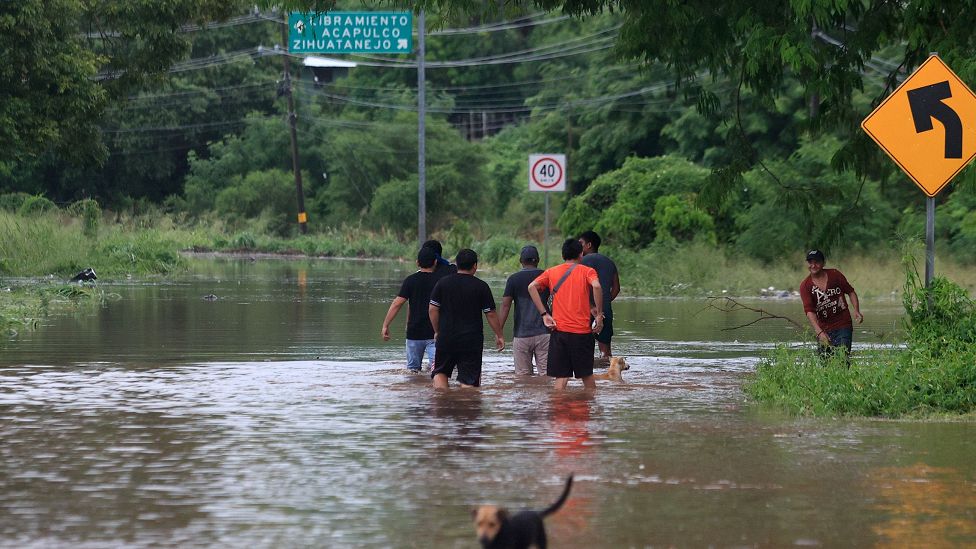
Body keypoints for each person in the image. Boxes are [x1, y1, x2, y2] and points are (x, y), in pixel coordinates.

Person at [528, 238, 603, 390]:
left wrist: (544, 314)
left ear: (563, 254)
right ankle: (591, 411)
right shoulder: (588, 271)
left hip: (559, 332)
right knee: (587, 377)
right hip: (582, 333)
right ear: (581, 254)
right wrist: (599, 315)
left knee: (561, 378)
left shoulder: (551, 272)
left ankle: (557, 411)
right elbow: (596, 286)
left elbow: (531, 287)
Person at [428, 249, 505, 388]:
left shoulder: (443, 283)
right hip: (471, 340)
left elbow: (432, 309)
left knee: (440, 372)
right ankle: (467, 407)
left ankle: (441, 405)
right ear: (475, 266)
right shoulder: (481, 286)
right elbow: (491, 314)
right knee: (469, 379)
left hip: (446, 337)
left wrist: (437, 331)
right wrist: (499, 335)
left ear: (457, 264)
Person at [381, 247, 439, 372]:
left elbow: (397, 304)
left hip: (414, 332)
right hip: (435, 333)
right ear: (435, 262)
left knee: (412, 372)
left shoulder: (410, 280)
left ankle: (412, 391)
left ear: (417, 262)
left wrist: (386, 325)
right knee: (438, 370)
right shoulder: (440, 281)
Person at [799, 249, 863, 358]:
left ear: (823, 263)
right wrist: (819, 332)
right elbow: (809, 311)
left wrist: (856, 310)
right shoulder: (805, 286)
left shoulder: (835, 275)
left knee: (842, 358)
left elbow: (851, 292)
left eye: (817, 262)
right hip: (823, 328)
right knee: (825, 362)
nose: (813, 265)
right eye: (810, 262)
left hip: (843, 324)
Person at [499, 245, 550, 376]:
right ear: (538, 260)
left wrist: (498, 332)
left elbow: (505, 306)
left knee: (523, 377)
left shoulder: (513, 279)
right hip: (545, 332)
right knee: (547, 375)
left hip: (521, 335)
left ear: (521, 261)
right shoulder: (546, 276)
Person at [579, 230, 620, 360]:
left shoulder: (580, 262)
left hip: (584, 310)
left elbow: (577, 288)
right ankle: (607, 378)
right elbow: (616, 288)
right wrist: (604, 302)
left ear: (589, 245)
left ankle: (588, 378)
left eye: (581, 243)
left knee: (584, 351)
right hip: (604, 310)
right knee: (606, 353)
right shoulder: (609, 262)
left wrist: (591, 306)